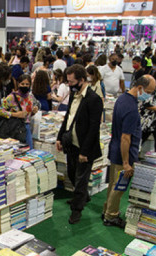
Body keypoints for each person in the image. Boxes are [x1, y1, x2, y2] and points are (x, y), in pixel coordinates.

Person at [102, 75, 156, 228]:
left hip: (115, 149)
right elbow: (126, 137)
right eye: (148, 91)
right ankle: (111, 215)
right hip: (123, 153)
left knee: (113, 182)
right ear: (140, 88)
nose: (149, 95)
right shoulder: (131, 108)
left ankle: (107, 209)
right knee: (119, 185)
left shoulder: (122, 99)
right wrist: (126, 162)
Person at [56, 65, 103, 224]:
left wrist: (85, 151)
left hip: (85, 147)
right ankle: (83, 197)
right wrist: (59, 137)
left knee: (81, 179)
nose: (68, 84)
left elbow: (93, 128)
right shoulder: (74, 95)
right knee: (72, 173)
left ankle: (76, 210)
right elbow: (68, 119)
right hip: (71, 144)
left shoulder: (93, 99)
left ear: (82, 80)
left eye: (71, 81)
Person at [0, 74, 40, 144]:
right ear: (18, 84)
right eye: (22, 84)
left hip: (26, 127)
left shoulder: (31, 97)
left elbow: (29, 113)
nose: (25, 86)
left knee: (28, 149)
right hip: (14, 127)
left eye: (27, 84)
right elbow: (0, 111)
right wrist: (14, 114)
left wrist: (33, 111)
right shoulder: (12, 97)